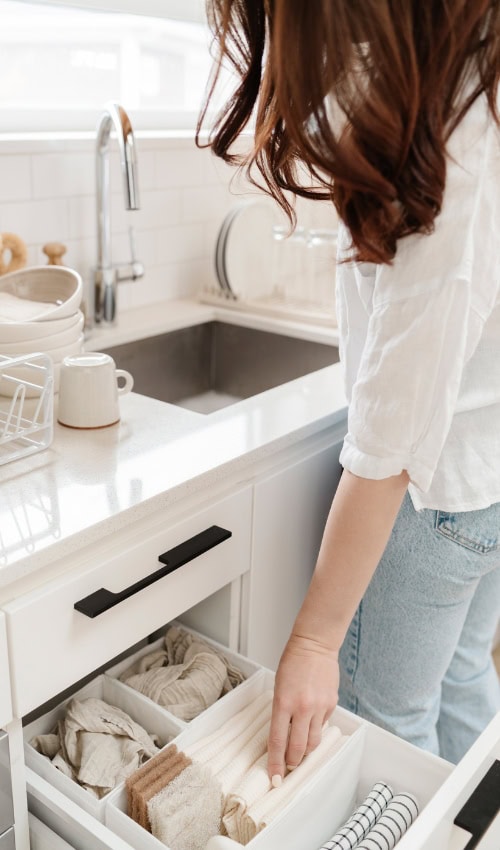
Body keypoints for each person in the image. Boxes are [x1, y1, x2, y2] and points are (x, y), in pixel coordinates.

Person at [197, 0, 500, 778]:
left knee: (388, 732)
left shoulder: (436, 115)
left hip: (437, 499)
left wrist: (315, 639)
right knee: (461, 677)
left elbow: (395, 427)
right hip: (487, 474)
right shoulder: (479, 65)